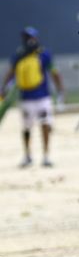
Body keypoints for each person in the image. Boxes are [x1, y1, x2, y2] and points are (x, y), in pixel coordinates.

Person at [1, 27, 63, 167]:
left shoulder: (43, 54)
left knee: (45, 124)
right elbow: (10, 73)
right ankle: (28, 155)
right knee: (27, 127)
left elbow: (54, 72)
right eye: (26, 37)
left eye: (30, 37)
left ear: (35, 38)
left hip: (43, 97)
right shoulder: (19, 56)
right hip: (26, 98)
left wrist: (60, 90)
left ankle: (46, 155)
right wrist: (4, 88)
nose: (28, 40)